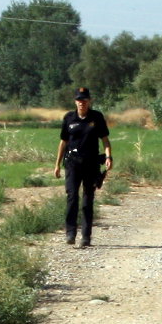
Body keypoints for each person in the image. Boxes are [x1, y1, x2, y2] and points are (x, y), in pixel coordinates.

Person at [56, 86, 112, 246]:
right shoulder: (69, 118)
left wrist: (108, 156)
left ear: (89, 101)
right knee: (72, 197)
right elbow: (63, 143)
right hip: (72, 164)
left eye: (85, 100)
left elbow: (105, 140)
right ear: (75, 101)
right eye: (79, 100)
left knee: (88, 200)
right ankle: (70, 233)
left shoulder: (97, 117)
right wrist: (57, 165)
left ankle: (86, 237)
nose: (82, 103)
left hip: (91, 164)